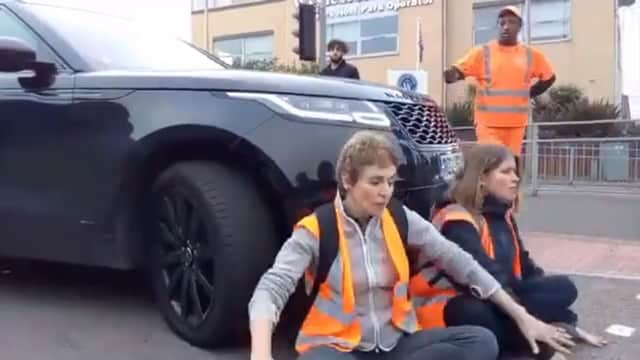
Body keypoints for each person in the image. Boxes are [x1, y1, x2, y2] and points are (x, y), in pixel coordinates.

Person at [248, 130, 574, 360]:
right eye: (375, 182)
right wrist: (261, 353)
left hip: (397, 345)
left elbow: (461, 263)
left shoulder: (400, 218)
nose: (385, 192)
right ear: (348, 180)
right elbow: (270, 289)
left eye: (390, 182)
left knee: (480, 341)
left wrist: (522, 316)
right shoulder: (316, 228)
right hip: (336, 346)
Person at [419, 143, 607, 359]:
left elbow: (526, 268)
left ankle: (539, 335)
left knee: (564, 288)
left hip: (505, 293)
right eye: (506, 172)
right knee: (476, 312)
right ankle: (535, 343)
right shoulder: (456, 219)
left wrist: (555, 315)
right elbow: (481, 276)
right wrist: (525, 316)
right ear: (481, 178)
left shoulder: (503, 214)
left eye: (515, 172)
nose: (515, 178)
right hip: (459, 301)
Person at [443, 5, 556, 163]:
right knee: (490, 165)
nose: (506, 27)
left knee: (511, 165)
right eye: (502, 23)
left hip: (515, 124)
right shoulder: (483, 52)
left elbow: (549, 77)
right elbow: (459, 70)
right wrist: (451, 75)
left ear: (519, 26)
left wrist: (529, 93)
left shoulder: (531, 55)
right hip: (488, 124)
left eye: (511, 22)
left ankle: (512, 189)